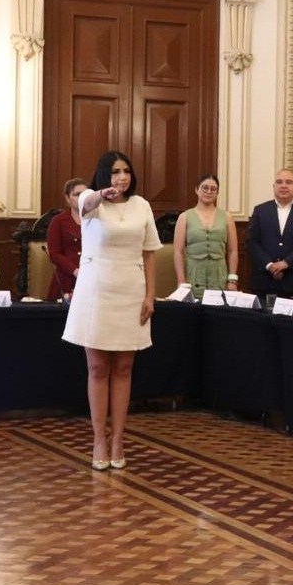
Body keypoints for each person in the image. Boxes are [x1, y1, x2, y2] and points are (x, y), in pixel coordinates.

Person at [62, 151, 162, 470]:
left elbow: (149, 253)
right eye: (116, 171)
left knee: (124, 368)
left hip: (130, 289)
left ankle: (118, 437)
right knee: (97, 368)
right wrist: (103, 194)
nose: (122, 177)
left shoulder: (142, 205)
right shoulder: (91, 200)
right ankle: (99, 438)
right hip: (96, 289)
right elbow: (86, 204)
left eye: (127, 171)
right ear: (105, 174)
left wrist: (150, 295)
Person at [247, 169, 293, 299]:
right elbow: (252, 242)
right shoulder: (260, 210)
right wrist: (269, 265)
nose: (283, 185)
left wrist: (286, 263)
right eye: (279, 182)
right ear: (274, 186)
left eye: (289, 182)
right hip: (264, 281)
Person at [173, 174, 239, 299]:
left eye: (213, 189)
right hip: (194, 274)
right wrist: (181, 281)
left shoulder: (227, 217)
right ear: (197, 189)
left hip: (219, 274)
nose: (209, 192)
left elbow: (232, 251)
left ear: (217, 192)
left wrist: (232, 280)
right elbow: (178, 251)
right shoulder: (185, 217)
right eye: (205, 188)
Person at [46, 177, 88, 300]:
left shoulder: (96, 219)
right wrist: (75, 271)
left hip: (92, 278)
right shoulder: (58, 221)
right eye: (77, 194)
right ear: (67, 198)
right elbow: (54, 254)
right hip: (66, 279)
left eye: (84, 194)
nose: (82, 198)